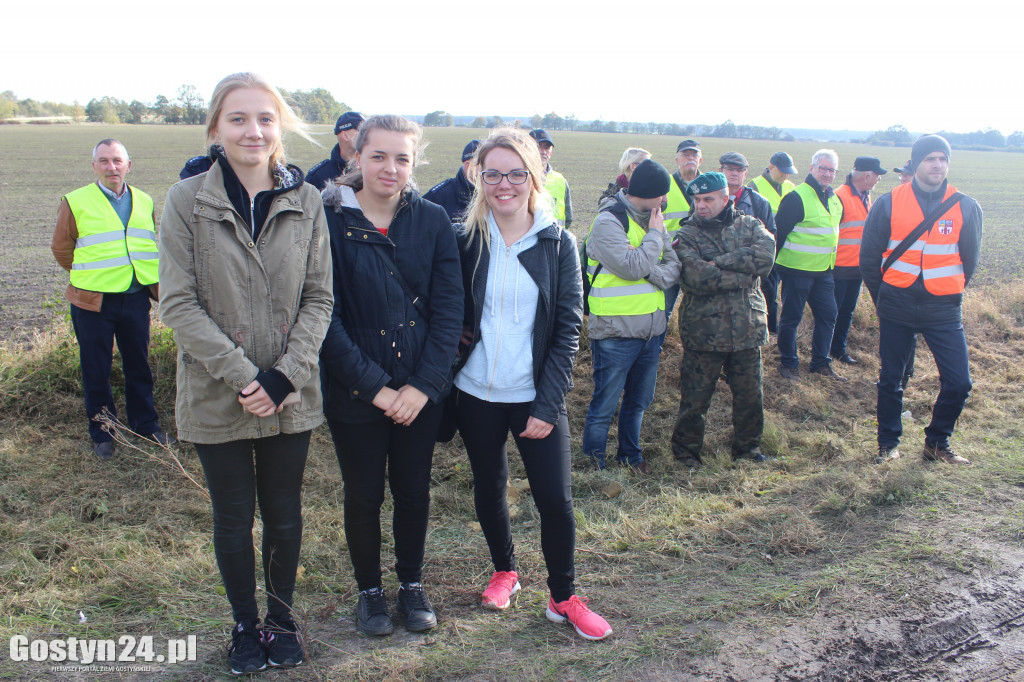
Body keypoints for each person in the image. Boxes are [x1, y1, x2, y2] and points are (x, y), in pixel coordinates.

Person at [159, 72, 333, 675]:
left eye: (264, 118)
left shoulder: (307, 201)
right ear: (215, 128)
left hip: (291, 394)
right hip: (216, 392)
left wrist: (284, 377)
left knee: (284, 514)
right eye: (238, 118)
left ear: (278, 126)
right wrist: (243, 376)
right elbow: (178, 302)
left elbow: (320, 299)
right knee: (233, 519)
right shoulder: (187, 201)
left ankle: (282, 622)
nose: (253, 130)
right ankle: (243, 625)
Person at [452, 128, 612, 641]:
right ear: (479, 177)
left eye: (516, 173)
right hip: (476, 393)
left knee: (555, 500)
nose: (504, 184)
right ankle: (506, 572)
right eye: (492, 173)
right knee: (490, 486)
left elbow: (569, 328)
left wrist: (548, 403)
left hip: (535, 397)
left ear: (533, 176)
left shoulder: (558, 243)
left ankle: (563, 598)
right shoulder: (466, 239)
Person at [319, 115, 463, 637]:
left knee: (413, 491)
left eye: (402, 158)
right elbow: (324, 317)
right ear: (356, 157)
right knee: (363, 495)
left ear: (415, 162)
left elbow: (450, 313)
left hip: (421, 393)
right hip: (356, 392)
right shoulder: (328, 219)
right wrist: (377, 389)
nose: (390, 167)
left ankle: (411, 585)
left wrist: (422, 387)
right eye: (378, 155)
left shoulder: (432, 221)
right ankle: (370, 593)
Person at [861, 134, 982, 466]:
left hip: (943, 307)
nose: (938, 165)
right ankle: (888, 444)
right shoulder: (889, 202)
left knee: (959, 382)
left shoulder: (966, 206)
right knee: (892, 379)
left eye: (943, 159)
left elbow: (968, 261)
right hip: (897, 302)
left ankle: (937, 442)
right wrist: (883, 297)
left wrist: (948, 289)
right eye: (931, 159)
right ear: (916, 164)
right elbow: (869, 260)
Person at [51, 139, 171, 460]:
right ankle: (103, 432)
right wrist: (87, 277)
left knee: (139, 365)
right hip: (92, 303)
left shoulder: (144, 201)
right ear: (94, 167)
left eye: (117, 160)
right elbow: (62, 249)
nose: (111, 167)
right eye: (103, 161)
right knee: (96, 369)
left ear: (128, 165)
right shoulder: (75, 201)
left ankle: (146, 424)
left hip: (135, 299)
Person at [670, 173, 775, 468]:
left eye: (708, 199)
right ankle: (686, 454)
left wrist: (720, 262)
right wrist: (744, 272)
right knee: (695, 399)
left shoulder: (749, 225)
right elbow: (696, 276)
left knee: (750, 395)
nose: (701, 206)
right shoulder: (687, 234)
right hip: (704, 331)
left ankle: (748, 449)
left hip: (747, 328)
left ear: (725, 198)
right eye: (697, 200)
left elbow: (766, 257)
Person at [582, 159, 680, 472]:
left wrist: (643, 264)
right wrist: (653, 237)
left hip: (651, 332)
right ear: (650, 194)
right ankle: (593, 466)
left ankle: (630, 457)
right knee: (604, 406)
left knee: (638, 403)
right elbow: (633, 266)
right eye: (662, 194)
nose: (665, 200)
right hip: (615, 332)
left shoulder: (655, 219)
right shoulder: (609, 221)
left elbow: (673, 269)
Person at [774, 149, 845, 382]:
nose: (827, 173)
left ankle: (820, 363)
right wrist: (773, 267)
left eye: (831, 170)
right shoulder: (797, 197)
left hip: (824, 271)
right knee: (791, 318)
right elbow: (779, 234)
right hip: (797, 271)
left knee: (828, 315)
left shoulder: (834, 199)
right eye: (823, 168)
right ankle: (788, 363)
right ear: (812, 168)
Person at [830, 156, 887, 365]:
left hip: (857, 268)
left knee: (846, 313)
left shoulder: (865, 196)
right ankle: (826, 352)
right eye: (877, 176)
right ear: (867, 175)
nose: (878, 180)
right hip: (839, 267)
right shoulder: (839, 196)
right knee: (833, 314)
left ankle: (838, 350)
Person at [720, 152, 778, 337]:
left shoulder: (759, 203)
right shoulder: (707, 200)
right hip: (716, 274)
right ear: (721, 171)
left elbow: (769, 241)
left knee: (747, 324)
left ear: (746, 174)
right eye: (729, 169)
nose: (734, 173)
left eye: (740, 170)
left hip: (748, 276)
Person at [746, 151, 797, 333]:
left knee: (778, 293)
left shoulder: (791, 187)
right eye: (783, 170)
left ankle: (773, 329)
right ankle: (768, 329)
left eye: (789, 171)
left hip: (786, 251)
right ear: (771, 167)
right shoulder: (754, 187)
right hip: (764, 251)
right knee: (767, 292)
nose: (786, 174)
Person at [663, 139, 702, 322]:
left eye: (694, 155)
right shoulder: (664, 185)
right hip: (669, 259)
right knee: (663, 310)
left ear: (700, 160)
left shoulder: (709, 186)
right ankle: (656, 350)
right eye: (686, 155)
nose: (690, 158)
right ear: (677, 159)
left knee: (700, 313)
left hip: (699, 261)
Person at [422, 139, 480, 221]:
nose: (491, 170)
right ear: (469, 166)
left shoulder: (494, 195)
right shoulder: (437, 198)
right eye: (485, 164)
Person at [305, 111, 365, 190]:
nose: (367, 134)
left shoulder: (372, 169)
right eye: (361, 130)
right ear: (345, 135)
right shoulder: (317, 176)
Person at [529, 129, 572, 229]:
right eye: (538, 147)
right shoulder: (518, 178)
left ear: (551, 151)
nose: (543, 152)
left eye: (547, 147)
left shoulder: (560, 181)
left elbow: (568, 218)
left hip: (555, 241)